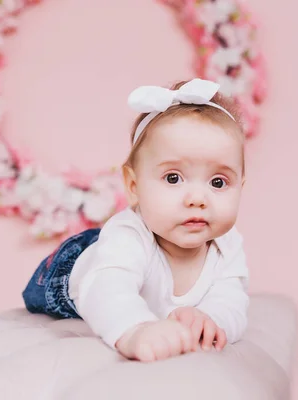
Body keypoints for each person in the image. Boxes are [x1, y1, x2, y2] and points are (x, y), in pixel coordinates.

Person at [22, 78, 249, 363]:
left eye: (218, 182)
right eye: (173, 178)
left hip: (118, 256)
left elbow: (233, 301)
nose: (197, 198)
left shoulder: (227, 245)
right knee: (97, 273)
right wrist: (135, 330)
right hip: (76, 269)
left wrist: (210, 320)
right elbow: (107, 289)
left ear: (241, 186)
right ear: (133, 186)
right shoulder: (128, 236)